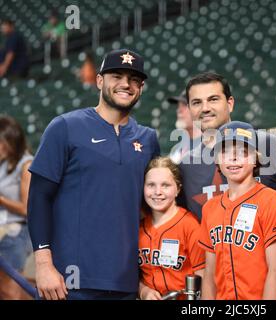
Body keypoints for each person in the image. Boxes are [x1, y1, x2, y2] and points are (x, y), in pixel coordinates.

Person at [27, 49, 160, 300]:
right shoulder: (65, 127)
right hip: (68, 282)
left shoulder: (148, 138)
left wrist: (143, 282)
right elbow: (38, 198)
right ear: (99, 81)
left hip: (126, 283)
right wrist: (44, 265)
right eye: (116, 76)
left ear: (141, 88)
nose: (125, 84)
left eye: (134, 80)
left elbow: (151, 210)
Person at [178, 72, 276, 219]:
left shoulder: (269, 144)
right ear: (190, 109)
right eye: (196, 102)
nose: (205, 108)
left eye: (213, 99)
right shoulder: (186, 166)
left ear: (230, 104)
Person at [198, 121, 276, 300]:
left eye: (242, 152)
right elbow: (209, 275)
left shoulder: (271, 200)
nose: (233, 159)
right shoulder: (210, 208)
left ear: (255, 158)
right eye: (225, 152)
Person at [138, 157, 204, 300]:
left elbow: (204, 276)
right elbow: (135, 277)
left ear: (178, 189)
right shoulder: (138, 228)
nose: (158, 191)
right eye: (151, 185)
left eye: (165, 185)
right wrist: (144, 291)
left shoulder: (189, 225)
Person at [0, 116, 33, 300]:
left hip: (17, 232)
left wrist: (1, 200)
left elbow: (26, 209)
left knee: (10, 290)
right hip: (3, 228)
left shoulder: (26, 164)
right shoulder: (4, 162)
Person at [167, 93, 201, 164]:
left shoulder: (209, 146)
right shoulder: (177, 148)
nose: (179, 110)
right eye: (178, 106)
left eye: (185, 106)